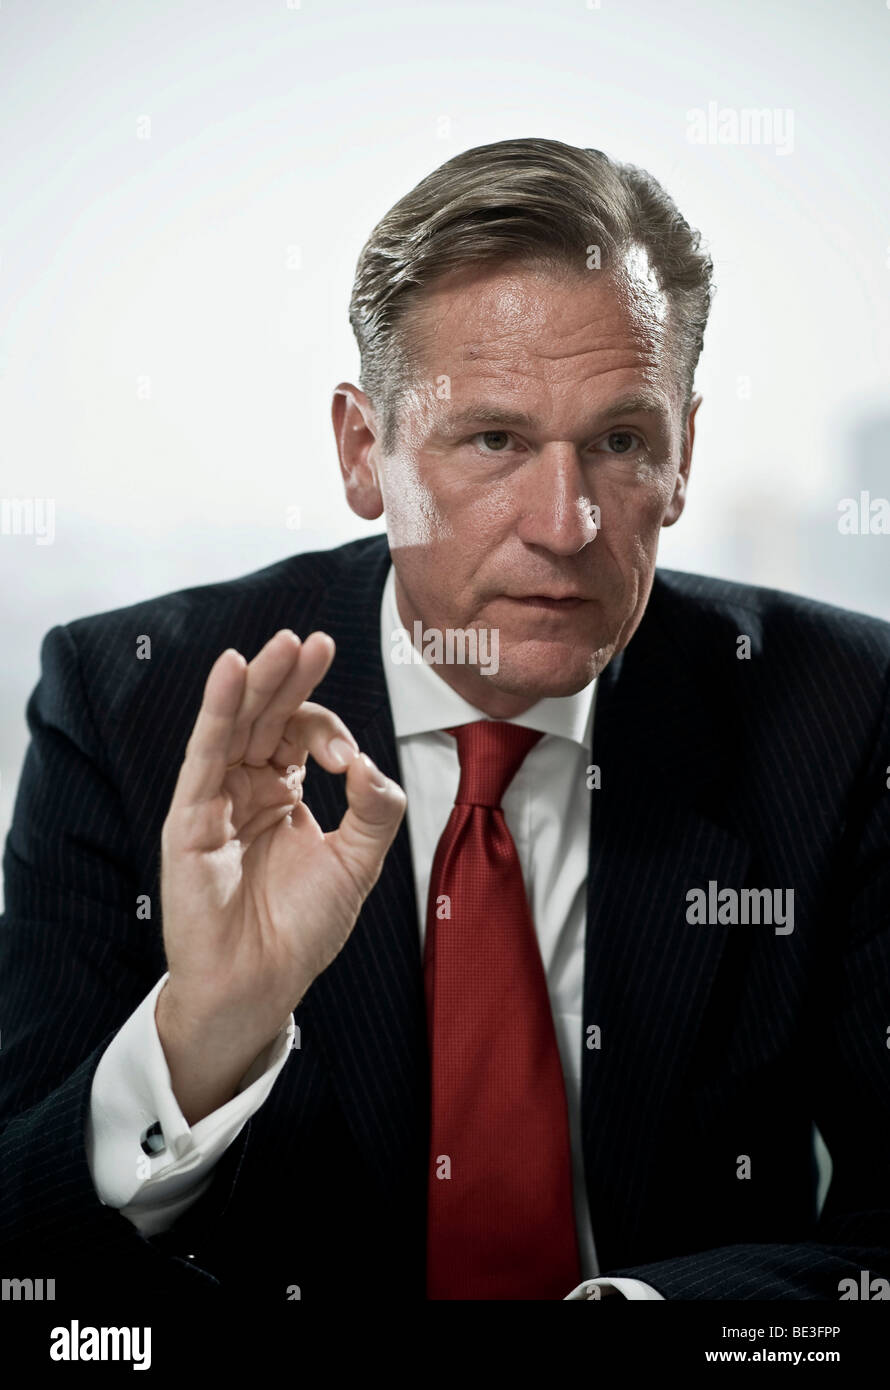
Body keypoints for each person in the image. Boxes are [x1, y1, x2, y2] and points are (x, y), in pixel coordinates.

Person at [1, 137, 889, 1303]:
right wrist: (201, 1036)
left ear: (681, 458)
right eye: (493, 440)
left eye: (620, 442)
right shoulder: (130, 705)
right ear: (365, 453)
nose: (564, 523)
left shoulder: (840, 709)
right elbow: (25, 1256)